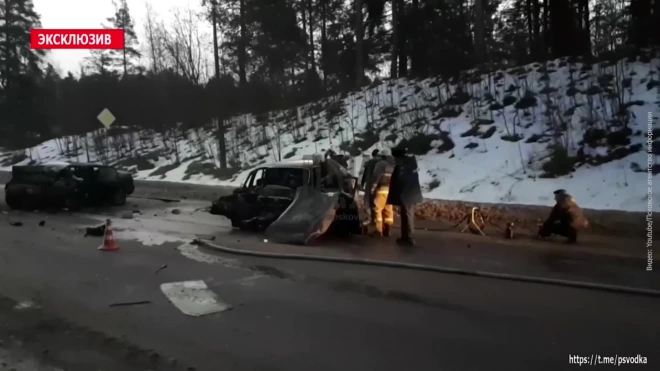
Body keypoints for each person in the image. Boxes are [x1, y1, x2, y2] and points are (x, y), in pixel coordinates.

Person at [387, 146, 423, 246]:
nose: (394, 160)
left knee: (407, 215)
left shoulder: (402, 166)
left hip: (406, 195)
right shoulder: (409, 163)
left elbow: (401, 181)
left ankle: (409, 238)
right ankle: (405, 237)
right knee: (405, 215)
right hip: (408, 194)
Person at [364, 149, 395, 237]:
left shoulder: (381, 164)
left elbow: (376, 177)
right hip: (390, 190)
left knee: (377, 209)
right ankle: (387, 229)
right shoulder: (392, 165)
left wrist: (372, 188)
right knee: (388, 210)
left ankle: (378, 230)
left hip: (381, 189)